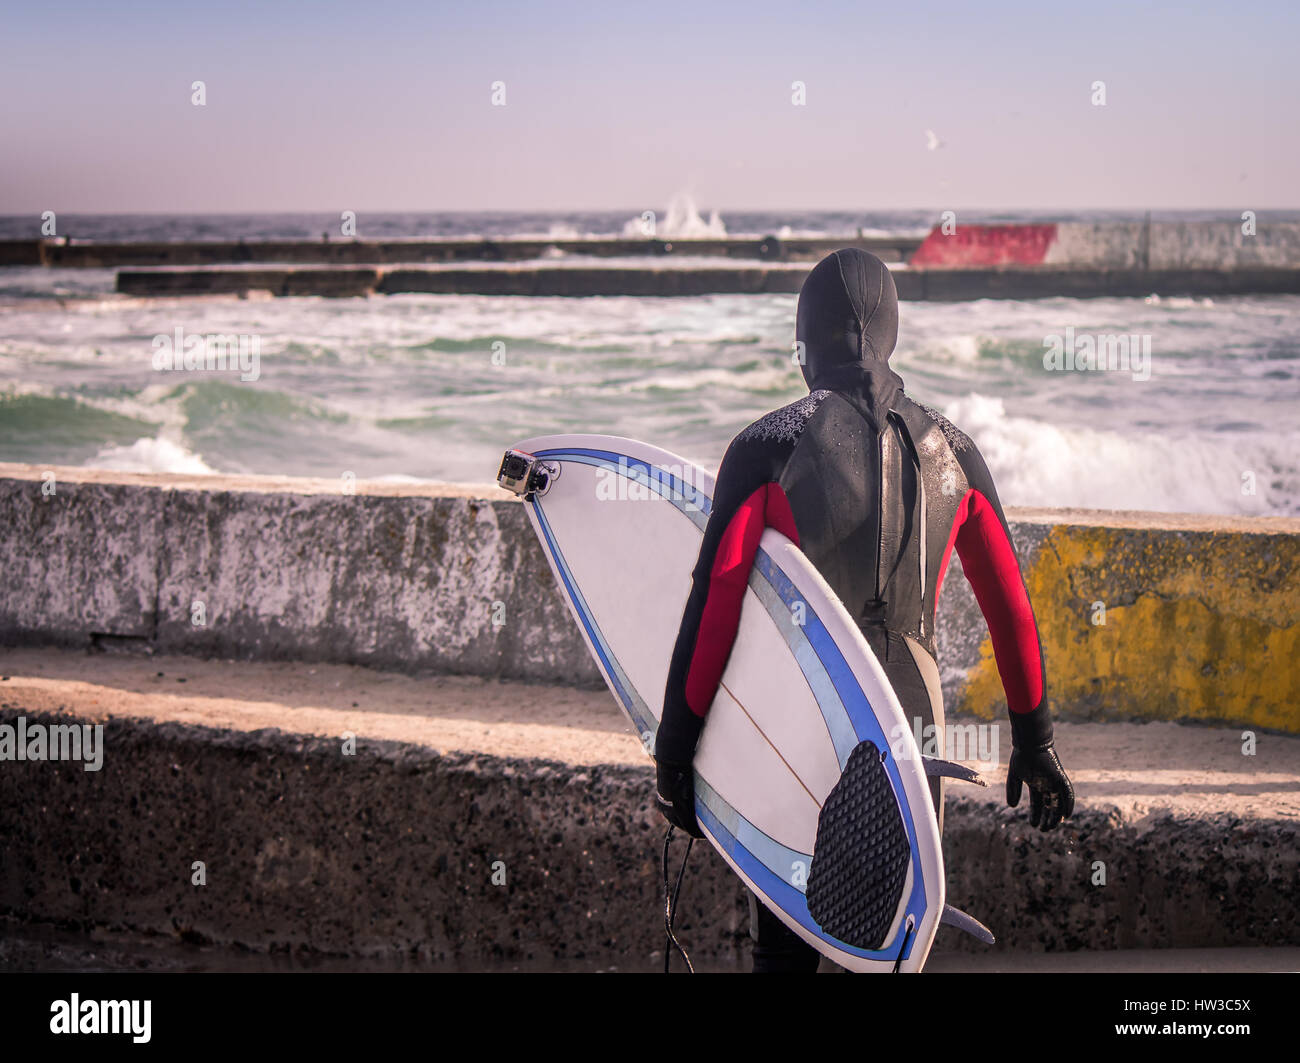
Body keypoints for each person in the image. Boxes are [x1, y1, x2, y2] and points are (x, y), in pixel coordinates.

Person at [653, 248, 1074, 973]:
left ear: (806, 339)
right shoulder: (957, 452)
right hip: (912, 730)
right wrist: (1034, 739)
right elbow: (1010, 605)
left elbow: (713, 602)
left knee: (784, 950)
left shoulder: (766, 447)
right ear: (891, 334)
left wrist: (675, 752)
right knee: (886, 950)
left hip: (799, 725)